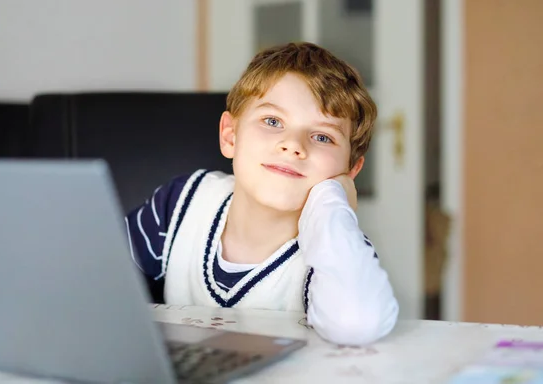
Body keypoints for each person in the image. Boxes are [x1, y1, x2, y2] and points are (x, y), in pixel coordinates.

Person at [125, 42, 399, 345]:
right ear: (231, 135)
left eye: (322, 136)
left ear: (350, 172)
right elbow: (94, 278)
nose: (293, 145)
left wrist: (332, 204)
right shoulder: (182, 202)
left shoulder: (335, 246)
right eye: (272, 121)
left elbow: (356, 324)